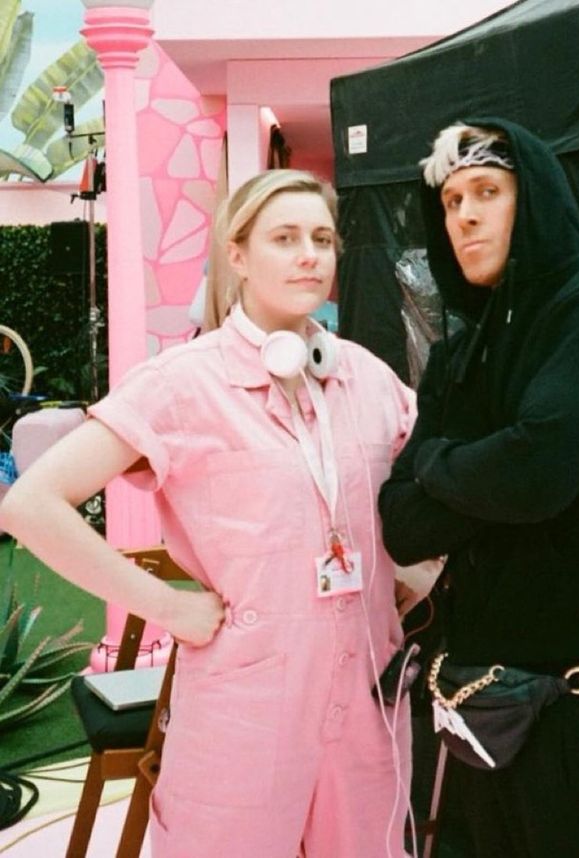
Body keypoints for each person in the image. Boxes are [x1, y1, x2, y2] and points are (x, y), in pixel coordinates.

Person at [0, 169, 417, 857]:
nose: (309, 254)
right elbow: (33, 506)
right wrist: (166, 607)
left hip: (368, 696)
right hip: (244, 707)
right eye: (284, 238)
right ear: (238, 254)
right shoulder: (182, 384)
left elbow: (436, 494)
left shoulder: (367, 378)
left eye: (322, 238)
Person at [378, 120, 579, 858]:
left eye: (488, 192)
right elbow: (403, 526)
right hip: (476, 707)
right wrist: (492, 467)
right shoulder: (459, 355)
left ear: (537, 201)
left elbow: (536, 477)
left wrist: (440, 458)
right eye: (450, 201)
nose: (465, 216)